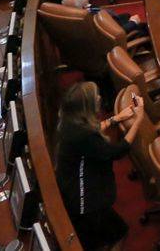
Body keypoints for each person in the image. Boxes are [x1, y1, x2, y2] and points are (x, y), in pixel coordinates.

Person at [55, 80, 141, 251]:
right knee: (118, 234)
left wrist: (116, 118)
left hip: (73, 194)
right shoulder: (85, 136)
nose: (100, 98)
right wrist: (139, 120)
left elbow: (93, 130)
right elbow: (117, 152)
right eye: (96, 97)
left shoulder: (69, 122)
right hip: (86, 203)